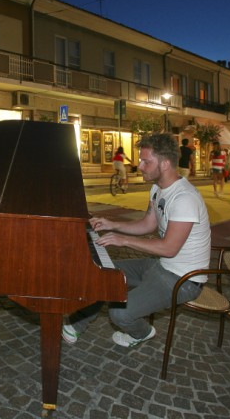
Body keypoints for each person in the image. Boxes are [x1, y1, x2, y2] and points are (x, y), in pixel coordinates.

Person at [62, 133, 211, 348]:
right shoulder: (158, 188)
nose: (140, 166)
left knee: (119, 314)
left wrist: (123, 240)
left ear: (166, 163)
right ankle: (77, 325)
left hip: (184, 279)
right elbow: (148, 224)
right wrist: (113, 225)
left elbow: (169, 248)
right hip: (161, 267)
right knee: (102, 275)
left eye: (146, 161)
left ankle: (143, 332)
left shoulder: (184, 198)